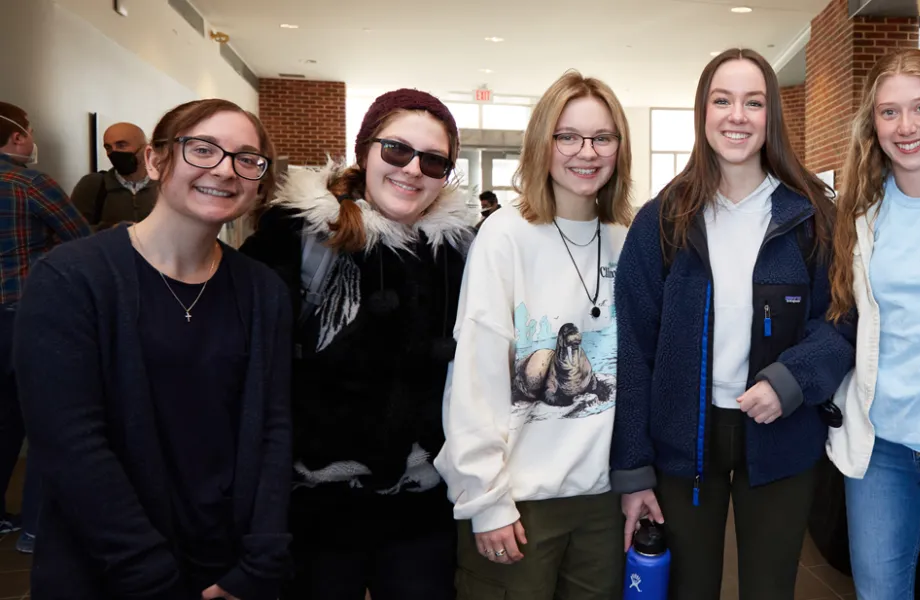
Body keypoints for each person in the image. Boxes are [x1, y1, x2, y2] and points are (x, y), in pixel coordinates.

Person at [12, 98, 292, 599]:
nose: (226, 171)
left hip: (225, 568)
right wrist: (146, 571)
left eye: (247, 159)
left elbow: (273, 426)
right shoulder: (73, 277)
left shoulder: (262, 290)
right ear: (155, 160)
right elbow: (70, 441)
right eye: (203, 149)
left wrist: (261, 557)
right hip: (108, 567)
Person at [612, 48, 855, 600]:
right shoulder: (663, 217)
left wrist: (790, 381)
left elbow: (841, 319)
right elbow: (631, 346)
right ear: (703, 113)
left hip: (782, 433)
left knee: (770, 588)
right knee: (688, 587)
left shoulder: (813, 215)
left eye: (753, 102)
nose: (736, 116)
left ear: (772, 117)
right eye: (722, 101)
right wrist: (633, 468)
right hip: (682, 438)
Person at [239, 88, 477, 600]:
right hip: (316, 506)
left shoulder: (460, 251)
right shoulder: (300, 234)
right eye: (396, 150)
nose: (413, 169)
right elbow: (249, 370)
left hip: (421, 503)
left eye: (434, 161)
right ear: (365, 151)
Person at [435, 70, 634, 600]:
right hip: (519, 502)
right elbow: (474, 376)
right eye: (566, 136)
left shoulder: (626, 237)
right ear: (541, 143)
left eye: (602, 137)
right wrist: (485, 500)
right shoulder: (505, 235)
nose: (585, 152)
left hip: (603, 500)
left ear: (619, 147)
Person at [823, 48, 920, 600]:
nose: (906, 127)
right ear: (873, 125)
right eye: (889, 113)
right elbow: (842, 317)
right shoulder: (861, 214)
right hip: (879, 445)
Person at [0, 101, 91, 554]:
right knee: (44, 420)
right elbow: (82, 241)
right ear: (18, 137)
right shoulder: (28, 182)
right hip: (20, 314)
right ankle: (36, 528)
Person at [71, 122, 158, 230]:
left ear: (145, 149)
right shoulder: (93, 185)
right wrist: (111, 230)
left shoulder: (165, 184)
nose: (114, 152)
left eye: (121, 145)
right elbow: (73, 232)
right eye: (108, 147)